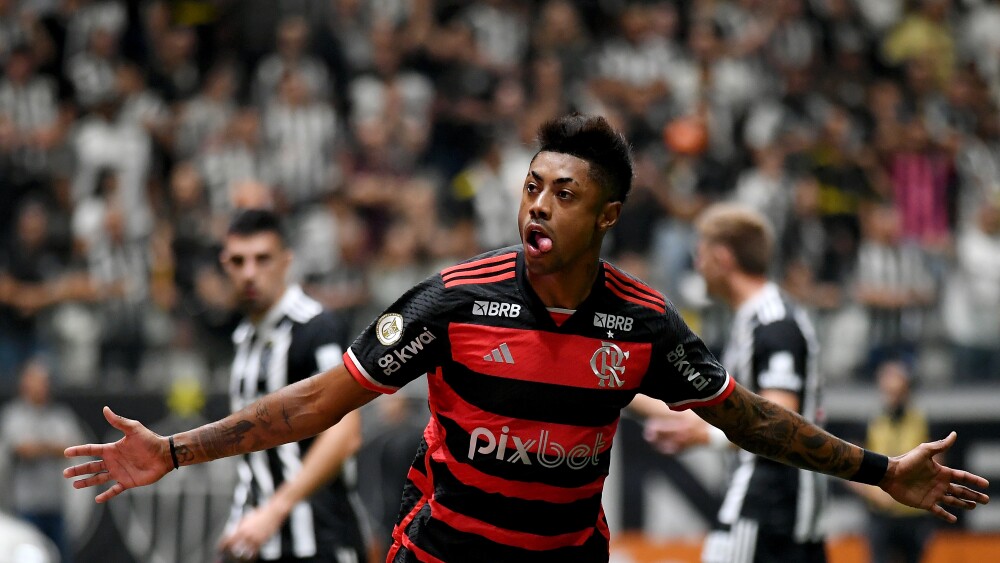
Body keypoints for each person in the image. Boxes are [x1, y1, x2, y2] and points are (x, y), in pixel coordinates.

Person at [63, 115, 989, 563]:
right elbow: (316, 401)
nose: (539, 204)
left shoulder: (644, 323)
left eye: (565, 193)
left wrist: (880, 472)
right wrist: (176, 449)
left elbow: (753, 420)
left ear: (609, 214)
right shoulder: (450, 303)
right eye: (532, 186)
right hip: (444, 553)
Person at [635, 202, 829, 562]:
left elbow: (778, 418)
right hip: (781, 515)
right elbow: (720, 413)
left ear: (722, 257)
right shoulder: (753, 320)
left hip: (769, 508)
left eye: (700, 254)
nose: (697, 265)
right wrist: (618, 383)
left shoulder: (774, 323)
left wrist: (704, 436)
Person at [212, 209, 368, 563]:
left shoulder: (317, 328)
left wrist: (274, 510)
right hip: (257, 540)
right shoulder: (246, 339)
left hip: (319, 537)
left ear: (286, 261)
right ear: (225, 264)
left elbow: (346, 434)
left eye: (262, 259)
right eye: (238, 261)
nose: (249, 273)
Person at [848, 360, 934, 563]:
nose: (894, 398)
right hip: (881, 514)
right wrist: (873, 493)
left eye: (899, 392)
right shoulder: (869, 422)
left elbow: (937, 464)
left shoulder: (921, 422)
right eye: (890, 392)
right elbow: (850, 468)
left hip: (913, 513)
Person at [1, 358, 85, 562]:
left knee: (60, 556)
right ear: (25, 384)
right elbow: (24, 449)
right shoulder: (14, 415)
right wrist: (51, 446)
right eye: (36, 381)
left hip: (55, 504)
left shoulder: (60, 415)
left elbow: (70, 448)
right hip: (26, 505)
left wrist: (40, 446)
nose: (42, 386)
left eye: (45, 381)